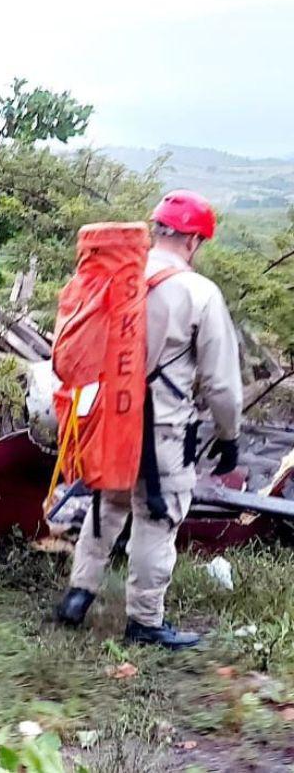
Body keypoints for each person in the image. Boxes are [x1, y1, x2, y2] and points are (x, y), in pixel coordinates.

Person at [55, 190, 243, 649]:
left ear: (156, 230)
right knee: (157, 518)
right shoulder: (199, 292)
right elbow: (220, 383)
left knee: (109, 503)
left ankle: (79, 594)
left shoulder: (115, 277)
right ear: (195, 241)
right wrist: (229, 436)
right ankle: (144, 621)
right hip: (164, 428)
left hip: (109, 418)